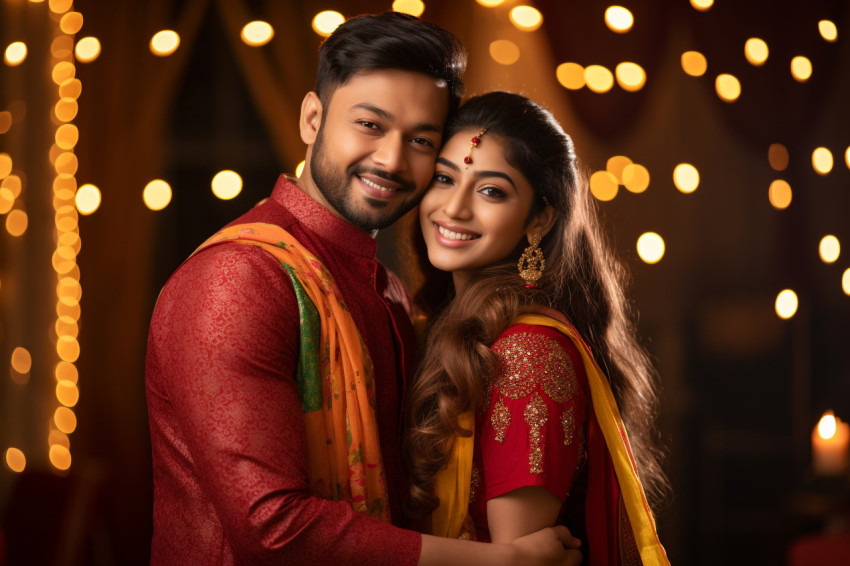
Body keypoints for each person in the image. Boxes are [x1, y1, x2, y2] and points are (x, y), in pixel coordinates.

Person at [145, 13, 580, 566]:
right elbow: (272, 529)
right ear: (312, 118)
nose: (392, 160)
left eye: (421, 140)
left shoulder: (390, 292)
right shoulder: (237, 279)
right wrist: (503, 562)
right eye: (370, 125)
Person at [404, 92, 672, 565]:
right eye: (445, 178)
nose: (454, 208)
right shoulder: (441, 326)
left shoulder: (528, 353)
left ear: (540, 218)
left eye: (491, 191)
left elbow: (519, 558)